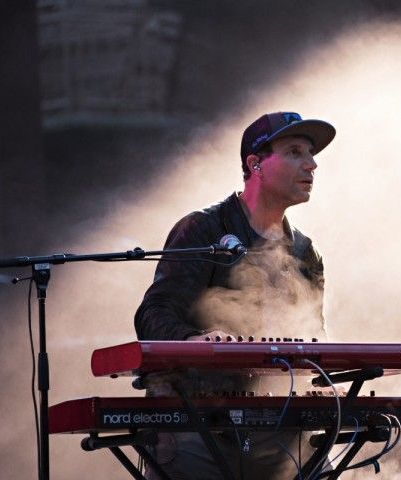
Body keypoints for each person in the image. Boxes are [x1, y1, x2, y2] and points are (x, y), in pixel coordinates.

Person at [134, 111, 336, 479]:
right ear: (255, 164)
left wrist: (320, 383)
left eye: (311, 153)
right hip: (197, 423)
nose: (311, 164)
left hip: (283, 425)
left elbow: (313, 338)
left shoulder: (305, 251)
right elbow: (154, 313)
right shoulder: (203, 229)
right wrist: (193, 341)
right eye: (294, 152)